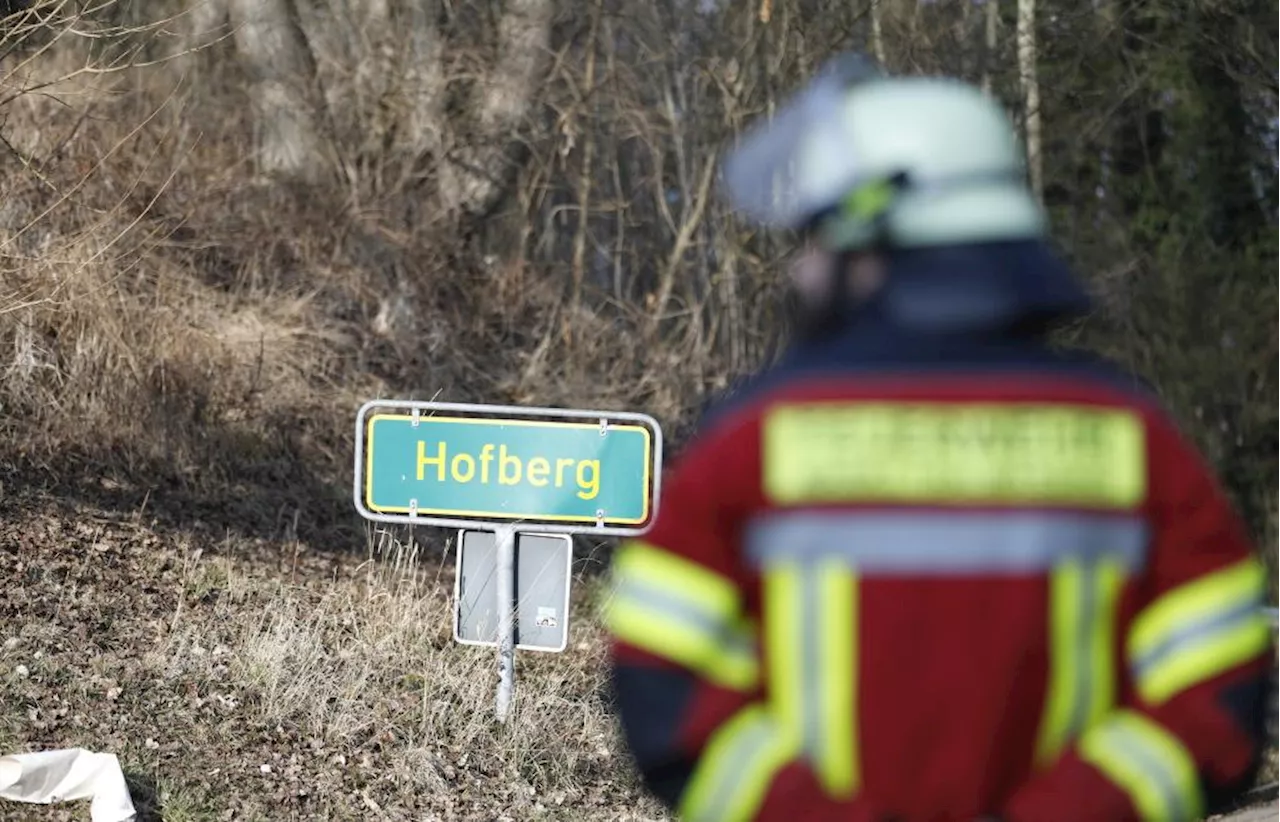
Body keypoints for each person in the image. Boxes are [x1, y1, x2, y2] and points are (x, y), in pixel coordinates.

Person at [602, 52, 1272, 822]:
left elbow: (662, 684)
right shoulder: (1129, 438)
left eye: (816, 235)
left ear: (872, 234)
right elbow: (1219, 695)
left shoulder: (756, 441)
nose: (802, 271)